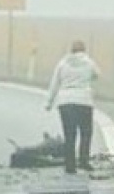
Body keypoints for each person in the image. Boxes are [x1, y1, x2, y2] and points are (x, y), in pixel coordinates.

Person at [43, 39, 101, 175]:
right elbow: (97, 75)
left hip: (65, 102)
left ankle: (70, 165)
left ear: (71, 50)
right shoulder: (89, 62)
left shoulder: (62, 64)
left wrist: (49, 103)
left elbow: (54, 84)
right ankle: (84, 161)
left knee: (70, 134)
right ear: (84, 50)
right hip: (84, 101)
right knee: (86, 133)